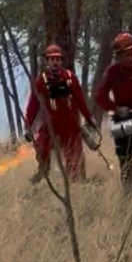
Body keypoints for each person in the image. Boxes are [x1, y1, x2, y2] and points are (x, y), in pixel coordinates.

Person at [93, 31, 132, 187]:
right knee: (125, 155)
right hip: (122, 116)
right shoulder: (112, 72)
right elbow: (100, 95)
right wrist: (115, 108)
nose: (130, 58)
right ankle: (129, 189)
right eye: (126, 55)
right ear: (119, 56)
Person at [24, 43, 94, 182]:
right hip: (51, 125)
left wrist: (89, 119)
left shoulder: (70, 78)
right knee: (41, 147)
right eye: (52, 59)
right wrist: (28, 126)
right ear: (47, 61)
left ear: (61, 61)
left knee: (74, 159)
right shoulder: (41, 81)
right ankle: (43, 171)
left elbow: (80, 100)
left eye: (57, 59)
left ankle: (78, 184)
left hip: (70, 125)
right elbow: (33, 105)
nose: (55, 62)